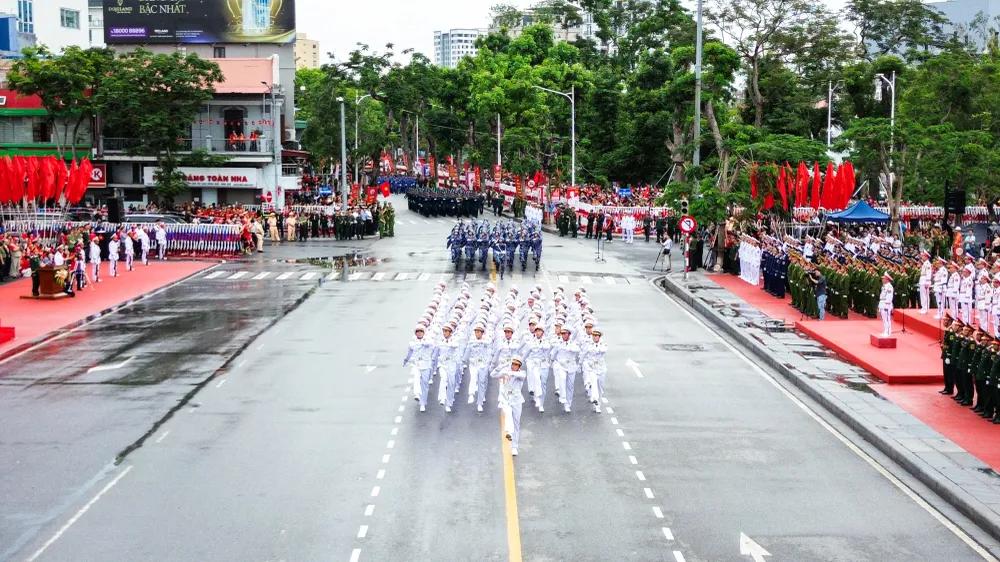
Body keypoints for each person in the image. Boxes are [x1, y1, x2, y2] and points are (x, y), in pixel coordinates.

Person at [490, 355, 527, 456]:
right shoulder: (505, 371)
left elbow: (521, 376)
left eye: (516, 365)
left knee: (516, 422)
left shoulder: (521, 373)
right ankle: (509, 432)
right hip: (505, 398)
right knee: (508, 414)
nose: (514, 366)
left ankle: (514, 446)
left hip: (516, 400)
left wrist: (509, 372)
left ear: (519, 366)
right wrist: (501, 366)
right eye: (513, 364)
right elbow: (492, 374)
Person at [403, 324, 435, 412]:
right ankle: (417, 394)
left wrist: (423, 342)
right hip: (416, 364)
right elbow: (409, 352)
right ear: (415, 333)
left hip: (426, 365)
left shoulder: (428, 340)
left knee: (425, 385)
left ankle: (423, 403)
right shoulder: (412, 343)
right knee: (416, 377)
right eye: (418, 332)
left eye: (421, 332)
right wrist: (406, 360)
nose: (419, 333)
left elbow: (432, 344)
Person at [463, 323, 493, 411]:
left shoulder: (486, 341)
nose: (477, 333)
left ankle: (480, 402)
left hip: (483, 364)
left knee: (481, 382)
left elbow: (489, 352)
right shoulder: (471, 342)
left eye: (479, 332)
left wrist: (487, 363)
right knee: (473, 378)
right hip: (473, 364)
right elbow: (467, 352)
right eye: (476, 332)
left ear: (482, 332)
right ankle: (471, 394)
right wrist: (463, 360)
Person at [431, 324, 461, 412]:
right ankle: (442, 398)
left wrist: (449, 343)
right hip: (442, 364)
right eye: (444, 331)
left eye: (447, 331)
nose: (445, 333)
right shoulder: (440, 341)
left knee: (451, 385)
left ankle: (449, 403)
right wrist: (432, 362)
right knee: (443, 379)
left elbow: (455, 345)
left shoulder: (455, 340)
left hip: (451, 365)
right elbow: (435, 353)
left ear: (451, 332)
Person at [580, 328, 607, 413]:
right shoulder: (588, 344)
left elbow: (603, 350)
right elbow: (583, 354)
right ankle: (594, 397)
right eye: (593, 335)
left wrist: (596, 347)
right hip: (591, 367)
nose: (594, 337)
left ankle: (598, 405)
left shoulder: (603, 344)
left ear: (599, 337)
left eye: (596, 336)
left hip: (601, 367)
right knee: (594, 380)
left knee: (600, 386)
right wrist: (579, 364)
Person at [879, 271, 894, 337]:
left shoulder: (889, 287)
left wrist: (887, 305)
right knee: (884, 319)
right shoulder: (884, 286)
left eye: (883, 279)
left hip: (886, 304)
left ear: (887, 280)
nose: (882, 280)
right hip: (882, 303)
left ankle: (888, 332)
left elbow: (889, 297)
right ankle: (885, 330)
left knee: (887, 319)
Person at [918, 250, 932, 314]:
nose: (922, 257)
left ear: (926, 257)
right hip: (922, 280)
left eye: (923, 256)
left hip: (925, 281)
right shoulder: (924, 264)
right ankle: (923, 307)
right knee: (922, 295)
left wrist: (927, 282)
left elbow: (928, 274)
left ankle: (926, 309)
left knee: (925, 295)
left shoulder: (928, 264)